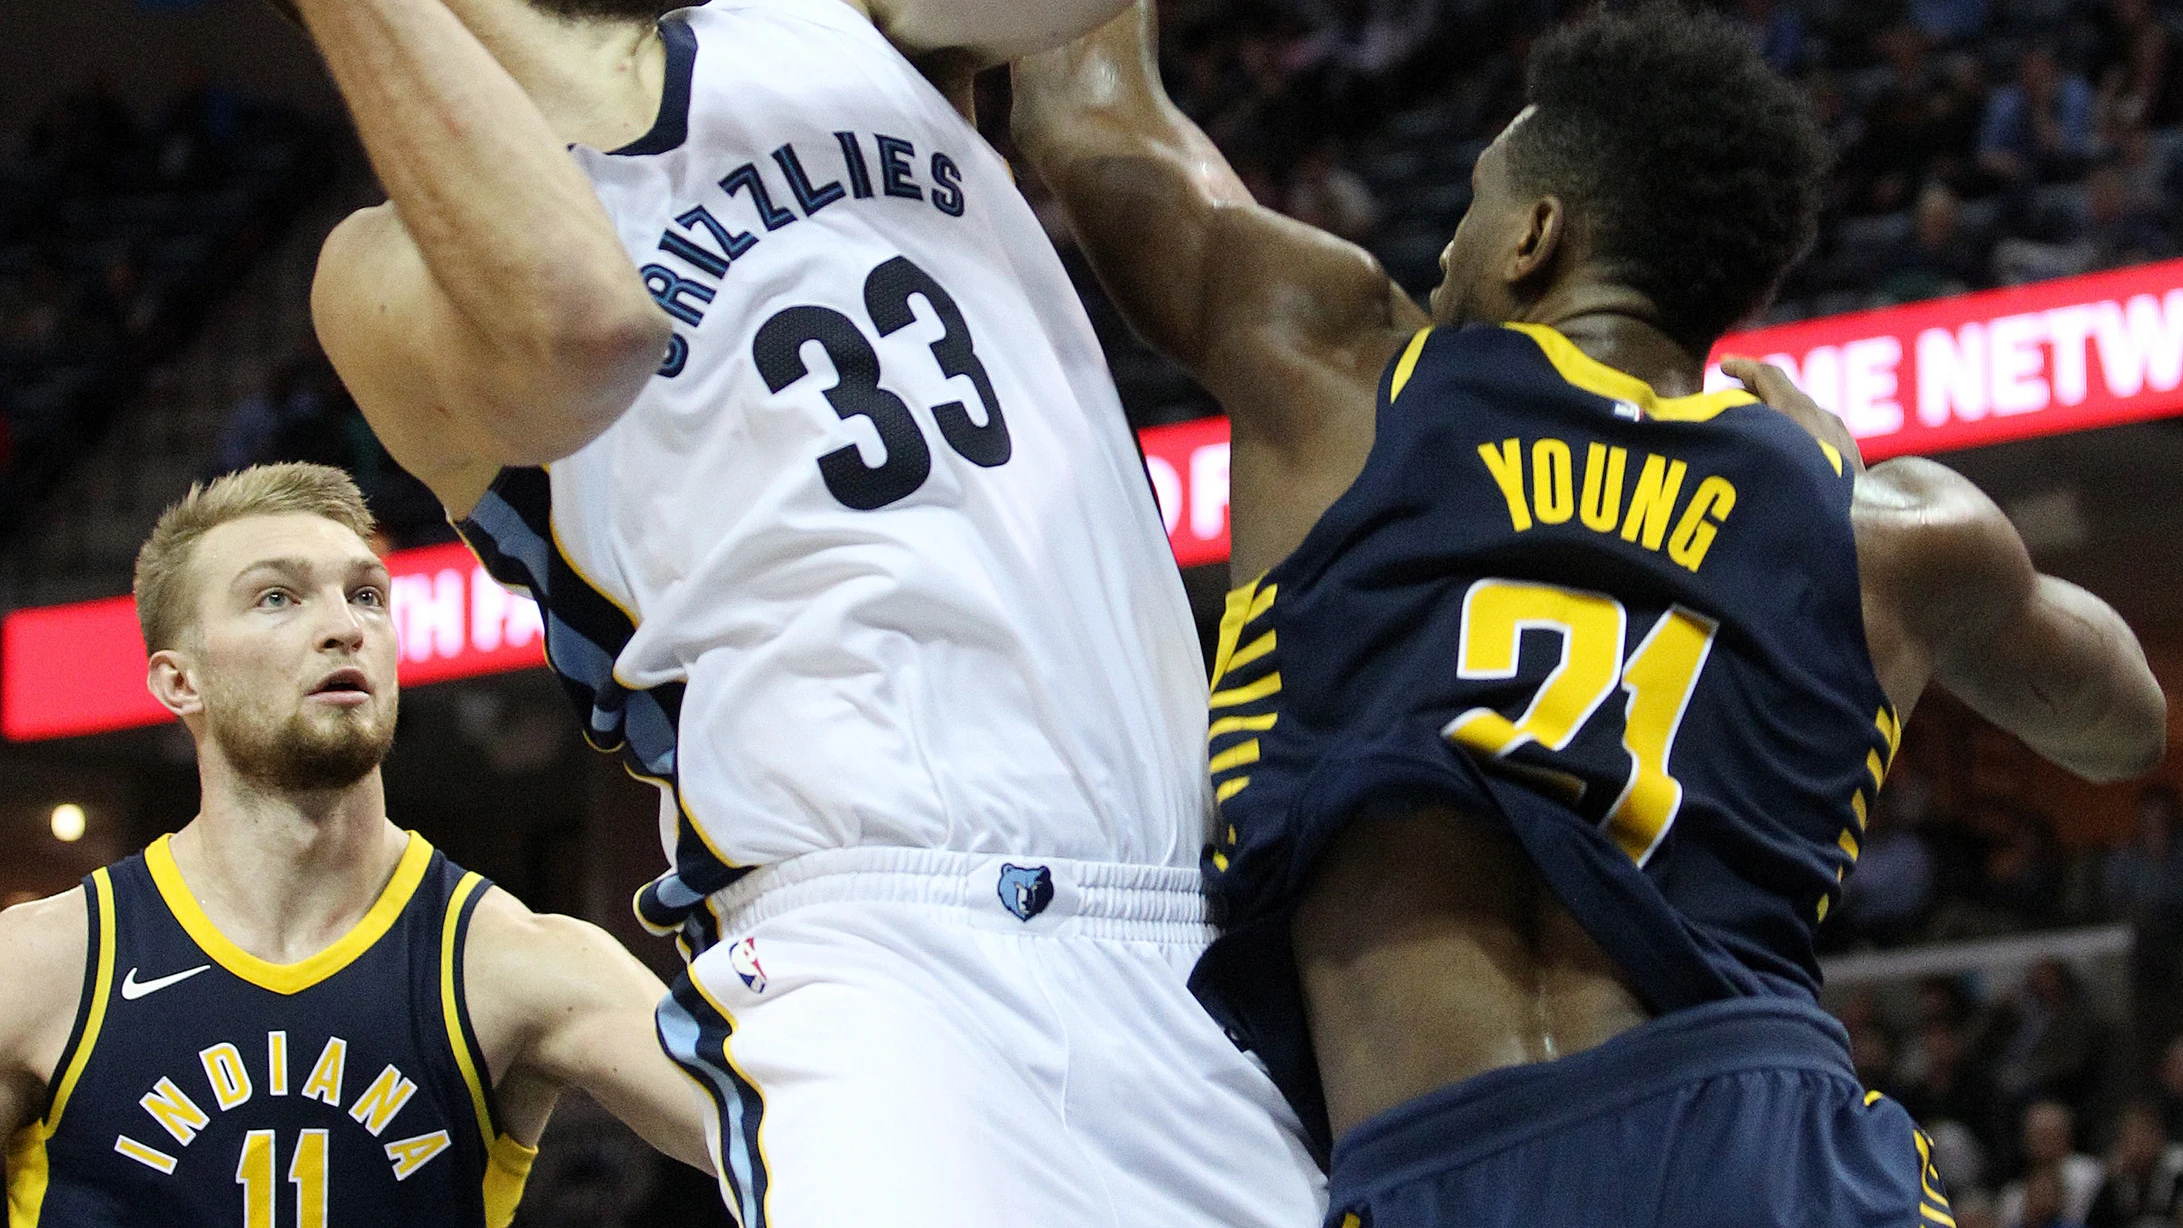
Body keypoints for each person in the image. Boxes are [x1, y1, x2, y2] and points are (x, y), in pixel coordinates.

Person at [1014, 3, 2167, 1225]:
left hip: (1440, 1165)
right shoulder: (1881, 532)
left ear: (1532, 237)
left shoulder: (1338, 372)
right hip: (1772, 1154)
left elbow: (1086, 109)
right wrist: (1849, 497)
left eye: (1468, 204)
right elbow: (2123, 724)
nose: (1444, 249)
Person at [288, 0, 1321, 1224]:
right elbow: (587, 332)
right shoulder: (381, 269)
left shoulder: (840, 23)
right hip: (877, 964)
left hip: (1183, 930)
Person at [0, 464, 710, 1226]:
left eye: (366, 594)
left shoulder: (515, 961)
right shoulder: (43, 967)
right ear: (180, 682)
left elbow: (795, 1145)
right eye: (277, 597)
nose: (345, 624)